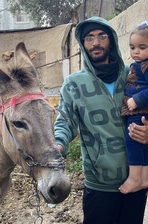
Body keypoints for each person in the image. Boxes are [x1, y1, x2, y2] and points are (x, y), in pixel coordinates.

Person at [54, 16, 148, 224]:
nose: (95, 42)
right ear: (83, 43)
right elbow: (65, 120)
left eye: (102, 36)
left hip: (137, 179)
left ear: (112, 40)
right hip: (99, 184)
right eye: (89, 37)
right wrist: (58, 144)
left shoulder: (132, 75)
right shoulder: (73, 84)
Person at [120, 21, 148, 194]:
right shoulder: (140, 64)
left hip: (140, 111)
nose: (135, 51)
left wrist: (137, 99)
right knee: (141, 144)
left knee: (133, 140)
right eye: (132, 47)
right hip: (138, 111)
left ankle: (135, 178)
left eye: (142, 47)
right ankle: (144, 178)